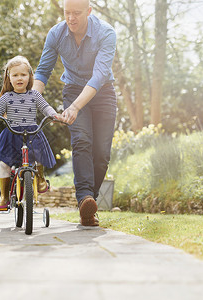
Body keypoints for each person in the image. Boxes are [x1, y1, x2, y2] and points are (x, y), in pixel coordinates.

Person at [33, 0, 117, 226]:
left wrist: (76, 107)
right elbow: (42, 71)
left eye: (77, 13)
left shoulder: (106, 33)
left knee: (101, 155)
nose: (71, 18)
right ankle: (85, 202)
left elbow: (99, 76)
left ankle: (90, 201)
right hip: (72, 90)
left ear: (89, 11)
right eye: (67, 13)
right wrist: (30, 101)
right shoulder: (56, 34)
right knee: (81, 141)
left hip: (103, 93)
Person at [0, 55, 61, 210]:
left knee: (38, 156)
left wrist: (54, 115)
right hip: (12, 134)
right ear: (9, 78)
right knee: (4, 164)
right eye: (15, 75)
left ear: (30, 77)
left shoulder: (35, 95)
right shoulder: (6, 97)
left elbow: (46, 107)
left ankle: (39, 179)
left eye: (23, 75)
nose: (19, 78)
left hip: (32, 132)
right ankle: (4, 197)